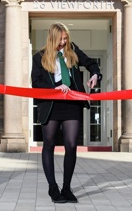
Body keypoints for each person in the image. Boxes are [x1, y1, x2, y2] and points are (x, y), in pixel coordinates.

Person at [31, 22, 102, 203]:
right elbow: (36, 83)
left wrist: (95, 74)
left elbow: (91, 63)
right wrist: (55, 87)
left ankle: (67, 188)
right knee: (49, 144)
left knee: (71, 145)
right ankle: (53, 188)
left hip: (71, 103)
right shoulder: (38, 57)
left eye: (65, 38)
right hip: (51, 104)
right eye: (60, 39)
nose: (63, 42)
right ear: (52, 38)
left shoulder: (72, 50)